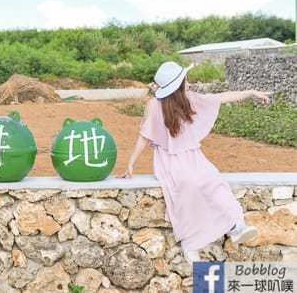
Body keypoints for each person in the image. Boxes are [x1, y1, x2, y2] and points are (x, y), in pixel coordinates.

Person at [117, 61, 272, 263]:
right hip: (169, 160)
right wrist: (130, 165)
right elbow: (144, 136)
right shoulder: (154, 105)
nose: (188, 83)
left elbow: (221, 98)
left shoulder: (189, 99)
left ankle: (236, 226)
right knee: (187, 187)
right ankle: (191, 242)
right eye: (185, 80)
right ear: (177, 85)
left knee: (214, 181)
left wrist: (251, 92)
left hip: (193, 156)